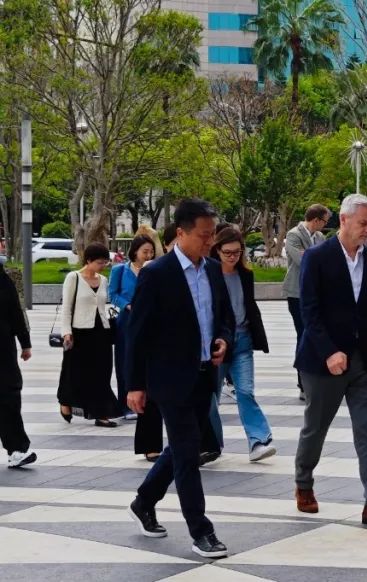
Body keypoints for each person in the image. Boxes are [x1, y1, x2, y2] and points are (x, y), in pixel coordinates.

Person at [292, 194, 367, 525]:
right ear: (343, 220)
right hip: (323, 360)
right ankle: (304, 483)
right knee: (316, 427)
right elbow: (309, 311)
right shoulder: (317, 257)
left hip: (364, 359)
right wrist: (329, 351)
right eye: (362, 223)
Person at [125, 199, 234, 559]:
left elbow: (224, 318)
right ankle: (202, 531)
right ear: (181, 233)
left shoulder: (214, 270)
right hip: (169, 379)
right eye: (204, 235)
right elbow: (137, 333)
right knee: (188, 454)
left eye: (212, 234)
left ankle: (144, 501)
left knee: (183, 447)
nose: (210, 241)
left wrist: (223, 340)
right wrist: (134, 385)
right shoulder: (157, 274)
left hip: (205, 375)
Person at [208, 226, 276, 462]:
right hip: (217, 343)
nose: (232, 257)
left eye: (237, 252)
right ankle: (211, 444)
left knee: (245, 391)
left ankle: (259, 440)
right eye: (227, 252)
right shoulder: (209, 274)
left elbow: (248, 304)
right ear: (217, 250)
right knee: (210, 396)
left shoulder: (245, 274)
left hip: (243, 340)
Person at [57, 243, 119, 427]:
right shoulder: (74, 278)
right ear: (89, 260)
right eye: (99, 262)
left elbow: (102, 306)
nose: (102, 266)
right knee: (74, 371)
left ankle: (101, 413)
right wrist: (66, 332)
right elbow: (66, 308)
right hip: (79, 332)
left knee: (102, 372)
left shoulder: (103, 280)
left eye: (105, 263)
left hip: (102, 331)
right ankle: (65, 401)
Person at [284, 204, 330, 401]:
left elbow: (325, 261)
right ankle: (303, 383)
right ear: (316, 220)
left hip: (318, 294)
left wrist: (312, 255)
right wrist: (316, 257)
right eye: (325, 221)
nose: (325, 225)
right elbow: (303, 261)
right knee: (303, 335)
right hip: (297, 293)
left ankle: (318, 380)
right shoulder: (293, 235)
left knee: (317, 334)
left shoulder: (320, 237)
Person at [110, 235, 157, 421]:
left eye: (151, 252)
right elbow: (113, 294)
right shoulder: (120, 270)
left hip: (149, 319)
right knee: (125, 359)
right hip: (127, 319)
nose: (148, 255)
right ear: (135, 251)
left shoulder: (154, 269)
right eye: (145, 251)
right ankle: (126, 404)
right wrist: (127, 305)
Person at [0, 266, 35, 468]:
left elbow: (15, 311)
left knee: (10, 396)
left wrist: (25, 343)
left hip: (3, 349)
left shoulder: (3, 278)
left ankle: (17, 449)